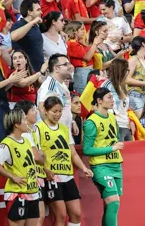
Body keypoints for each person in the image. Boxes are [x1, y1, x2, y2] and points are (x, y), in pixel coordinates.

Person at [34, 96, 92, 226]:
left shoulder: (65, 129)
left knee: (76, 214)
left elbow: (73, 153)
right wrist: (45, 169)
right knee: (61, 215)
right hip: (52, 178)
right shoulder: (39, 128)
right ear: (45, 110)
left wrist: (83, 168)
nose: (58, 114)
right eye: (54, 111)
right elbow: (36, 155)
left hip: (68, 176)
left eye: (60, 111)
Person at [82, 87, 124, 226]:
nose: (113, 100)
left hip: (116, 164)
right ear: (99, 101)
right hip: (101, 166)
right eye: (109, 97)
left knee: (110, 206)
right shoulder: (91, 122)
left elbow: (115, 137)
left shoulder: (112, 116)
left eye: (112, 97)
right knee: (114, 203)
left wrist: (114, 148)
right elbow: (87, 149)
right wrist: (112, 148)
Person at [0, 108, 40, 226]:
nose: (26, 121)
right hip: (17, 194)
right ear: (16, 124)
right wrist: (13, 177)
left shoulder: (26, 140)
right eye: (23, 119)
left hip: (32, 192)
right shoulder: (7, 143)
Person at [36, 55, 73, 129]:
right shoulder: (50, 85)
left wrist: (72, 121)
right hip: (53, 134)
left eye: (69, 64)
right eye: (65, 64)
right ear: (56, 68)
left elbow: (66, 107)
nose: (70, 66)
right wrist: (52, 130)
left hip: (64, 130)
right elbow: (42, 108)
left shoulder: (61, 84)